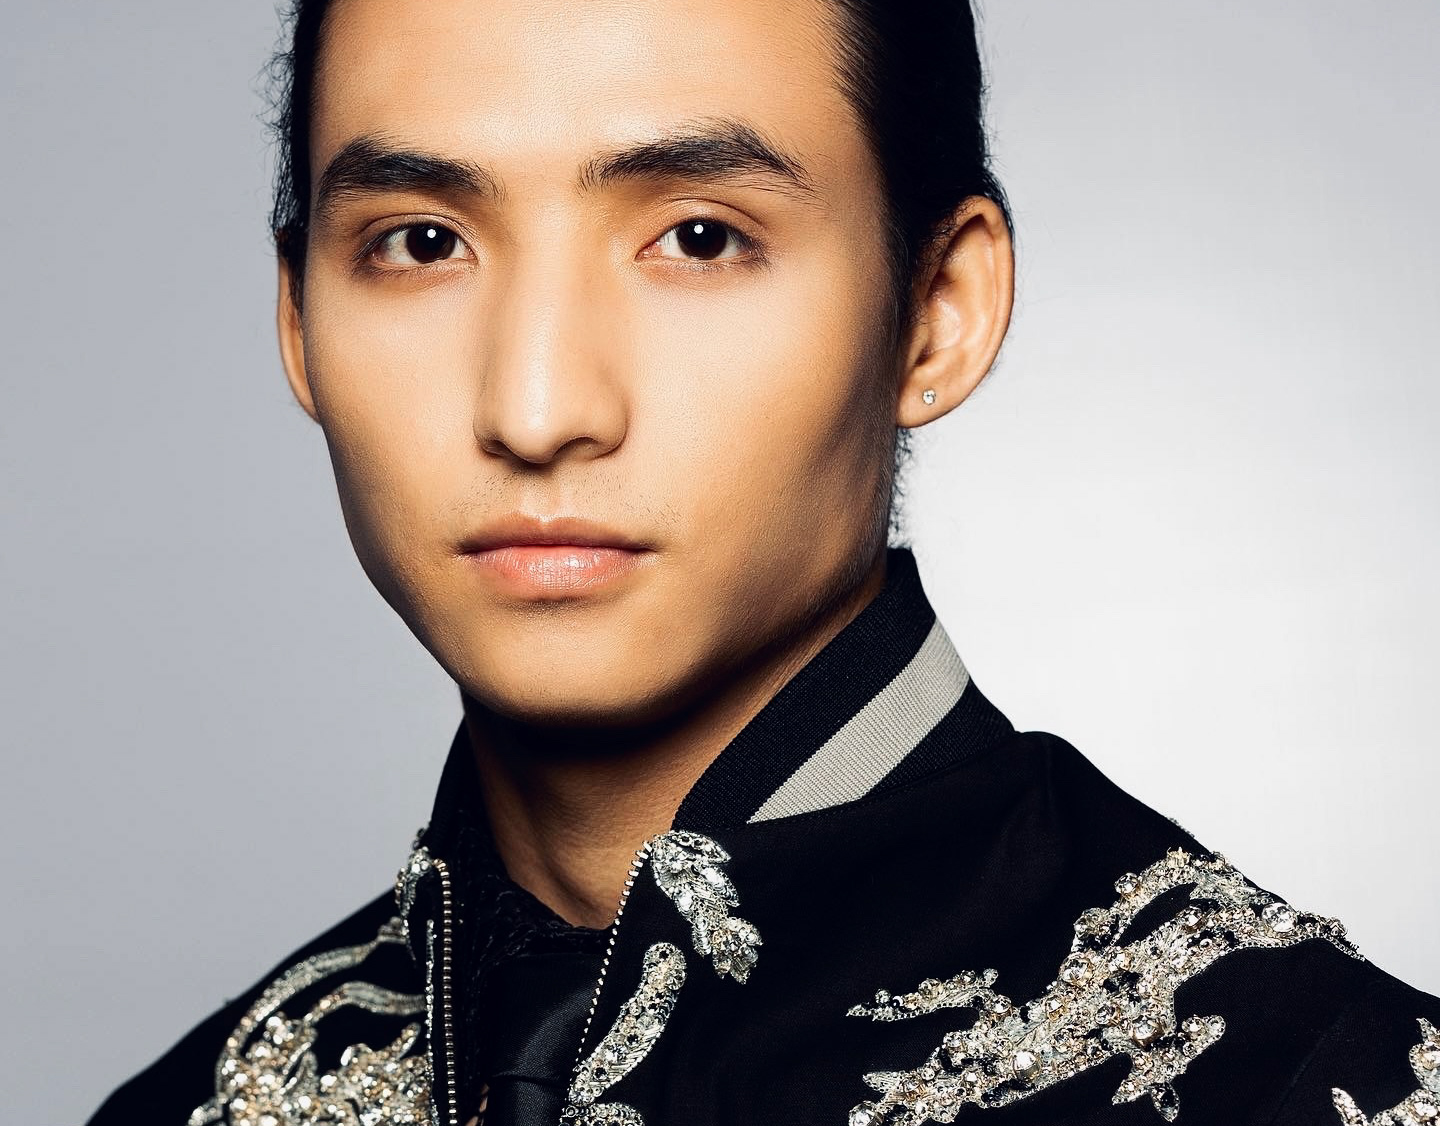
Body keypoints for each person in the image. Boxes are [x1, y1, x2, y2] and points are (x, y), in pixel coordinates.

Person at [87, 0, 1438, 1123]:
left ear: (938, 311)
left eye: (699, 237)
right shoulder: (199, 1106)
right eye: (422, 243)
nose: (538, 407)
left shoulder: (1312, 1079)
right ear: (299, 320)